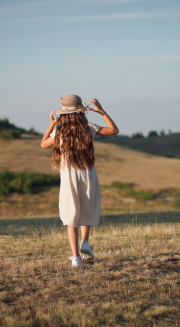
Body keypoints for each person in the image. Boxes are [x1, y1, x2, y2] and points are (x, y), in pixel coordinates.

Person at [41, 94, 119, 267]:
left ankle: (76, 258)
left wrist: (52, 123)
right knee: (85, 209)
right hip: (87, 173)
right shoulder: (88, 127)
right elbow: (114, 130)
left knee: (72, 216)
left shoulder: (59, 132)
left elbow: (43, 144)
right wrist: (102, 111)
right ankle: (85, 242)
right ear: (80, 111)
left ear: (63, 113)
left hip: (69, 177)